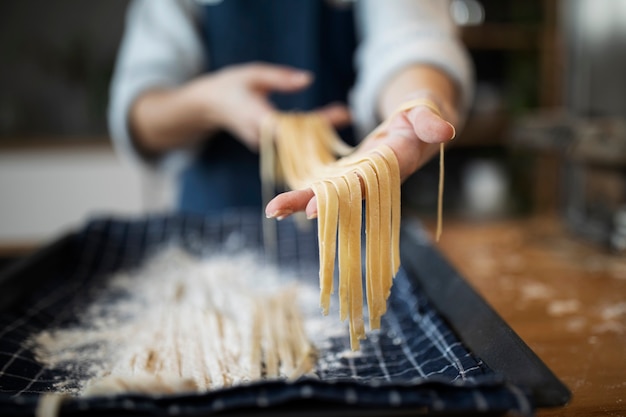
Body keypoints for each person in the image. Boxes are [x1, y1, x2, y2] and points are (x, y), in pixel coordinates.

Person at [108, 0, 473, 220]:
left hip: (353, 205)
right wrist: (210, 103)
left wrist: (413, 104)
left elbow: (410, 41)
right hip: (210, 222)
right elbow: (140, 108)